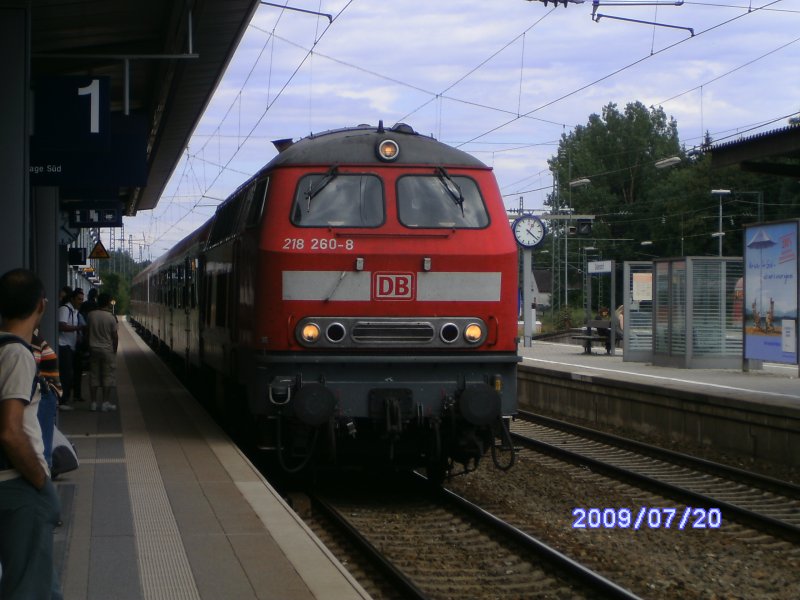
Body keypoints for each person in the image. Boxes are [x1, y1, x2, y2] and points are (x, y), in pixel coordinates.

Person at [0, 268, 62, 599]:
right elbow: (10, 431)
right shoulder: (18, 354)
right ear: (42, 305)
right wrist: (41, 484)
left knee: (43, 585)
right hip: (19, 485)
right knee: (29, 588)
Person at [31, 332, 62, 469]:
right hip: (40, 396)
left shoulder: (32, 337)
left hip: (43, 395)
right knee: (41, 455)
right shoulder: (26, 340)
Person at [86, 293, 118, 412]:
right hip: (107, 350)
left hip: (93, 348)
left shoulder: (91, 315)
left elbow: (87, 332)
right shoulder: (111, 317)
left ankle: (93, 403)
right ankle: (105, 403)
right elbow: (115, 336)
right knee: (107, 376)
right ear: (107, 302)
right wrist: (114, 350)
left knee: (93, 376)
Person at [57, 288, 84, 410]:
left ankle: (65, 399)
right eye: (79, 299)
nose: (81, 301)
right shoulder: (65, 309)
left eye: (82, 299)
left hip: (70, 346)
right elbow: (61, 326)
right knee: (66, 374)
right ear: (72, 298)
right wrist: (78, 329)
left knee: (69, 373)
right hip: (63, 345)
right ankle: (62, 401)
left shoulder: (74, 311)